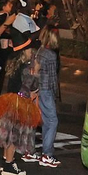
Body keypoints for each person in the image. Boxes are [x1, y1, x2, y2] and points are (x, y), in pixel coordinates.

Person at [0, 47, 41, 175]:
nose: (32, 52)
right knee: (14, 135)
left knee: (9, 133)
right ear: (24, 51)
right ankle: (9, 164)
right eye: (30, 50)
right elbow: (30, 86)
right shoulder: (26, 68)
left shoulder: (16, 65)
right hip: (19, 103)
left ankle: (5, 161)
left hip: (11, 101)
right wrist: (36, 72)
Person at [33, 30, 62, 166]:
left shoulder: (41, 50)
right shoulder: (50, 54)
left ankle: (46, 150)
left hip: (42, 89)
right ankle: (47, 153)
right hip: (46, 89)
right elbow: (49, 75)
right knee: (52, 120)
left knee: (46, 121)